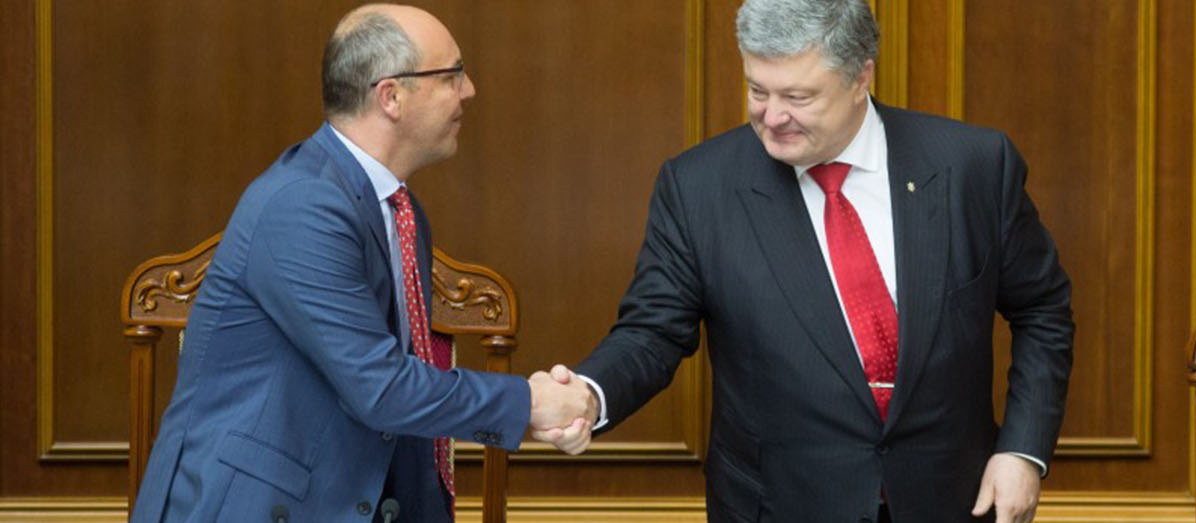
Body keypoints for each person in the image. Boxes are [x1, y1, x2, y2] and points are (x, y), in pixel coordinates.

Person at [547, 0, 1075, 521]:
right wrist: (592, 396)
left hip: (952, 499)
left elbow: (1042, 310)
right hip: (780, 503)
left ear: (860, 77)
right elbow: (652, 332)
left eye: (798, 97)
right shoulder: (698, 188)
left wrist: (1022, 450)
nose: (772, 117)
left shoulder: (972, 166)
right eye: (758, 91)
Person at [130, 4, 593, 522]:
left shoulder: (399, 209)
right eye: (452, 75)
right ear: (391, 96)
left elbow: (404, 404)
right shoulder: (302, 205)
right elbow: (381, 386)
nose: (469, 90)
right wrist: (529, 404)